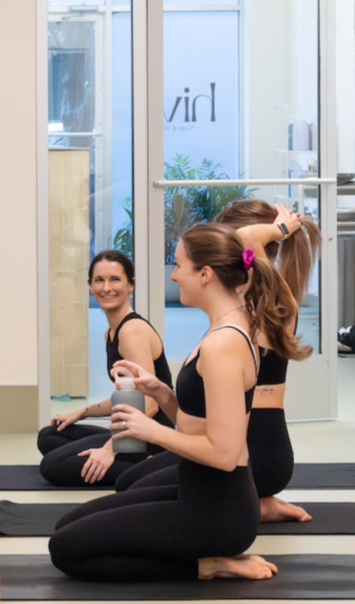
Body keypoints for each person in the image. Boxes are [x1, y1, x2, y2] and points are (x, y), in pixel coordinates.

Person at [48, 222, 296, 581]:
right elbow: (198, 423)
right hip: (196, 486)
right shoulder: (222, 329)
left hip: (218, 512)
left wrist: (151, 430)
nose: (174, 275)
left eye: (179, 265)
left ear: (205, 274)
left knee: (66, 549)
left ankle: (208, 565)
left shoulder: (224, 344)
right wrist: (160, 392)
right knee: (68, 524)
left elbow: (225, 454)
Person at [112, 200, 319, 523]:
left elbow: (248, 236)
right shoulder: (234, 302)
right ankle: (256, 503)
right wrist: (161, 393)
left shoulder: (276, 304)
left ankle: (259, 506)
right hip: (234, 440)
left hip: (261, 450)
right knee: (128, 483)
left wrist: (281, 228)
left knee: (139, 492)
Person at [37, 251, 175, 487]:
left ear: (131, 285)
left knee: (51, 465)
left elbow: (150, 403)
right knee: (49, 437)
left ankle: (154, 467)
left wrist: (110, 448)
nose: (106, 288)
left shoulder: (132, 331)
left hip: (152, 436)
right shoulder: (111, 332)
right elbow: (129, 398)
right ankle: (136, 461)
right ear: (91, 286)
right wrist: (82, 412)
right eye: (99, 280)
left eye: (115, 279)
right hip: (133, 430)